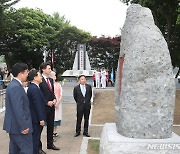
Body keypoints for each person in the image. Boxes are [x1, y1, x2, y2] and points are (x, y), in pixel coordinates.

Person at [3, 63, 33, 154]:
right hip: (19, 128)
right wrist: (24, 126)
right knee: (26, 150)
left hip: (15, 127)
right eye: (26, 72)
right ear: (21, 73)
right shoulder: (15, 87)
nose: (28, 74)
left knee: (14, 151)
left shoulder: (14, 85)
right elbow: (18, 109)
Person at [39, 62, 60, 151]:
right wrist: (46, 102)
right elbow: (39, 95)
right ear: (43, 70)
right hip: (43, 108)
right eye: (48, 68)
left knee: (51, 126)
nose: (50, 70)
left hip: (52, 107)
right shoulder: (40, 80)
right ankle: (38, 148)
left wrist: (55, 99)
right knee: (40, 129)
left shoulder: (51, 80)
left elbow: (52, 93)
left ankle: (50, 144)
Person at [27, 69, 46, 154]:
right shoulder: (34, 89)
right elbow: (37, 105)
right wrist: (41, 119)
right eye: (39, 75)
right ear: (34, 78)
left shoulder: (34, 87)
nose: (41, 77)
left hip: (35, 118)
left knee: (36, 138)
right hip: (36, 119)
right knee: (35, 139)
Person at [50, 71, 62, 139]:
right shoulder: (49, 85)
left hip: (58, 103)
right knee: (52, 117)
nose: (55, 77)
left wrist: (58, 102)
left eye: (55, 75)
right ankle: (51, 132)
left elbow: (61, 94)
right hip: (52, 102)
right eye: (53, 75)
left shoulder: (58, 84)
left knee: (57, 117)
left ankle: (55, 131)